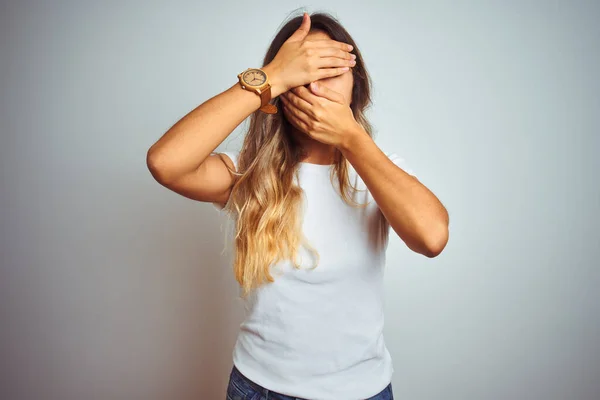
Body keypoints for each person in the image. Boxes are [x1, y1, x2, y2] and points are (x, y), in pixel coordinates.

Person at [147, 10, 449, 400]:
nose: (316, 87)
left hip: (362, 391)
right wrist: (268, 78)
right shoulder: (248, 174)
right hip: (258, 388)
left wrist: (353, 139)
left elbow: (432, 238)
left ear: (356, 87)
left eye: (329, 71)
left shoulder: (377, 172)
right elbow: (165, 163)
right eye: (302, 73)